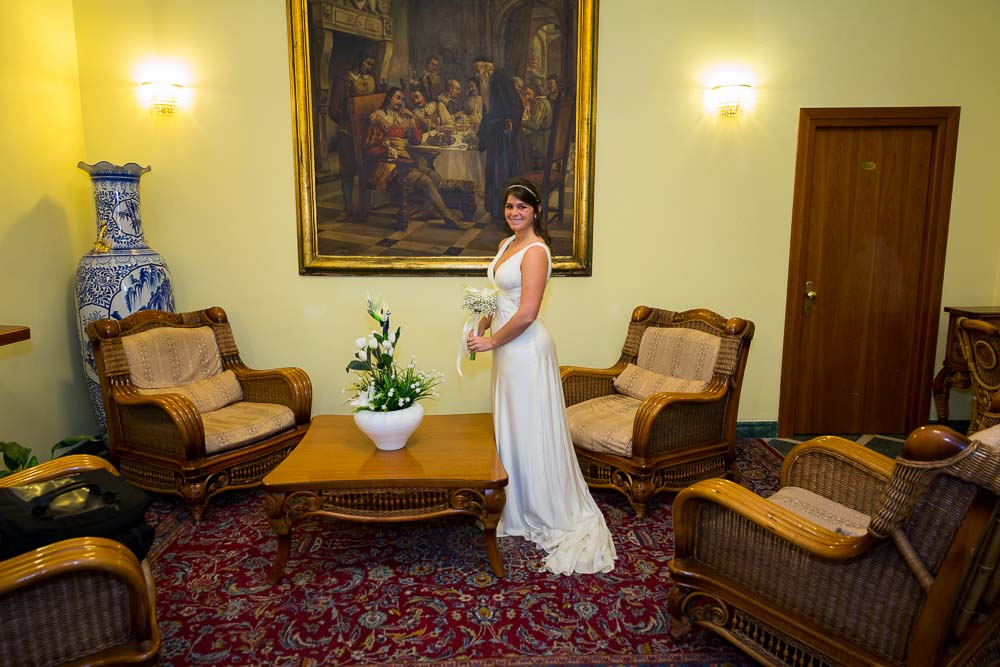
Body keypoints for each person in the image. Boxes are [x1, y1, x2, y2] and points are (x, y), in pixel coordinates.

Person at [466, 179, 617, 575]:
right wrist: (480, 328)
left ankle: (538, 504)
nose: (514, 213)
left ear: (535, 211)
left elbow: (527, 312)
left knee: (531, 425)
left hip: (526, 349)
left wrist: (492, 341)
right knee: (512, 424)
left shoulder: (536, 252)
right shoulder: (505, 246)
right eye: (509, 206)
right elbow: (495, 296)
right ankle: (512, 498)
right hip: (504, 348)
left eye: (522, 207)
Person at [366, 87, 465, 229]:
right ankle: (449, 219)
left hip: (402, 163)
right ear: (389, 98)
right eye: (397, 98)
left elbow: (416, 140)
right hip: (385, 165)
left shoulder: (400, 117)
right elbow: (370, 149)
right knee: (425, 180)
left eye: (402, 99)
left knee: (435, 177)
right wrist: (390, 152)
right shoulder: (378, 117)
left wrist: (412, 120)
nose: (400, 102)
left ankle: (428, 210)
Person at [473, 56, 527, 219]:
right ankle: (497, 211)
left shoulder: (501, 81)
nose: (476, 75)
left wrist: (510, 120)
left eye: (478, 71)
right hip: (495, 135)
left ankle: (510, 212)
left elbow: (518, 105)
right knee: (494, 173)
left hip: (506, 137)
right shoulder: (487, 84)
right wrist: (480, 136)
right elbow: (487, 115)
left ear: (487, 68)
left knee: (503, 173)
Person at [329, 50, 378, 220]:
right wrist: (349, 115)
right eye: (367, 63)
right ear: (359, 61)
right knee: (348, 170)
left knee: (366, 167)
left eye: (372, 64)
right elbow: (333, 110)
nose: (370, 68)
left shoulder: (370, 80)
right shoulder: (343, 80)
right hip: (348, 133)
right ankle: (347, 207)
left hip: (365, 132)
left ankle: (365, 207)